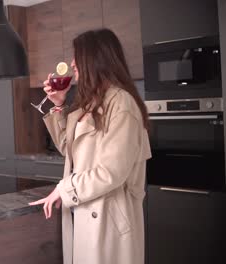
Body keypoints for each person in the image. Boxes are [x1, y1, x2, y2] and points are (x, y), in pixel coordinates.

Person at [29, 28, 151, 264]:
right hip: (85, 210)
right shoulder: (91, 102)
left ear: (96, 59)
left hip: (109, 221)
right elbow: (69, 150)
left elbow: (111, 172)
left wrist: (64, 189)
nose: (73, 64)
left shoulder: (121, 103)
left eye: (78, 56)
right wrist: (59, 105)